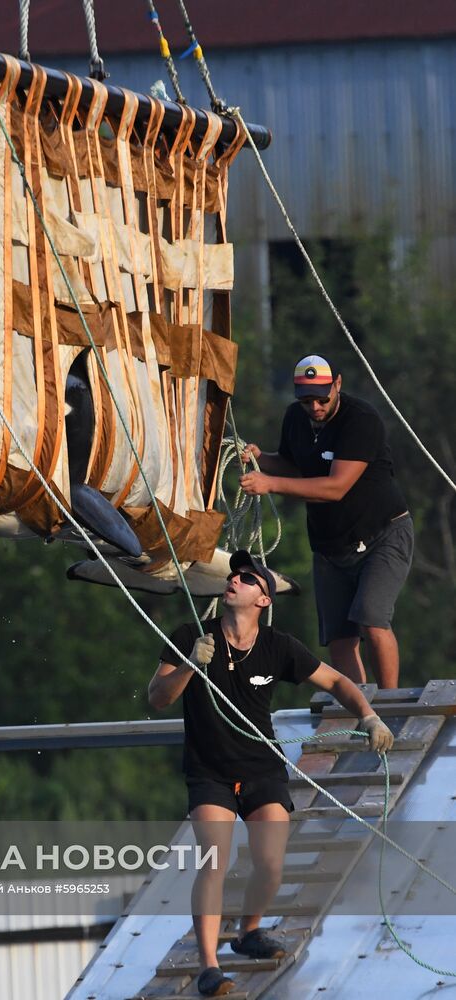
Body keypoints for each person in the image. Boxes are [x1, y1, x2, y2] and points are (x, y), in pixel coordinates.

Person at [148, 550, 393, 998]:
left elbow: (337, 681)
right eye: (233, 574)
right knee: (214, 861)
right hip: (209, 772)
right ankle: (209, 966)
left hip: (260, 766)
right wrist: (189, 664)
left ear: (263, 600)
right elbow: (157, 697)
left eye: (246, 578)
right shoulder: (191, 635)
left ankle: (248, 932)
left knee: (271, 863)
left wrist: (369, 716)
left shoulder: (279, 646)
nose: (234, 580)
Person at [239, 354, 413, 689]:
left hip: (382, 534)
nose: (315, 407)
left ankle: (390, 704)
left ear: (338, 384)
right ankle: (361, 707)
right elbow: (295, 468)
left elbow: (335, 487)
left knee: (372, 620)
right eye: (306, 400)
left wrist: (270, 484)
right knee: (338, 637)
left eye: (322, 398)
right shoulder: (295, 418)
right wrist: (262, 460)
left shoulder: (361, 419)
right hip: (331, 546)